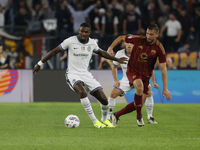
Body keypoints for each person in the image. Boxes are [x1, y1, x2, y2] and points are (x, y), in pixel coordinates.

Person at [33, 22, 127, 128]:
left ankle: (104, 120)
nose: (83, 33)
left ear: (89, 32)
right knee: (82, 92)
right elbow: (54, 51)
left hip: (86, 74)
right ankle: (95, 121)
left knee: (104, 100)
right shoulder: (70, 41)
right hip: (72, 74)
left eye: (86, 32)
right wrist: (39, 63)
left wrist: (117, 59)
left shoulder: (92, 43)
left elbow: (102, 53)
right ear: (79, 31)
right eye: (81, 31)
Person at [107, 24, 171, 127]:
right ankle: (139, 117)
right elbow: (121, 38)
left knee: (139, 103)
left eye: (151, 34)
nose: (148, 36)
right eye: (147, 33)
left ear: (157, 35)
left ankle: (116, 115)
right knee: (139, 87)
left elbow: (163, 69)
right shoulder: (138, 39)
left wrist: (165, 88)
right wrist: (110, 48)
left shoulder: (159, 48)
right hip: (132, 70)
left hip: (145, 75)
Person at [107, 42, 159, 127]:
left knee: (145, 96)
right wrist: (116, 80)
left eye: (131, 43)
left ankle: (150, 117)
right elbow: (114, 67)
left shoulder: (142, 53)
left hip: (140, 78)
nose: (129, 45)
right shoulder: (119, 53)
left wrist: (153, 82)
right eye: (127, 43)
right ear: (125, 44)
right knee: (113, 93)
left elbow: (150, 69)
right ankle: (108, 117)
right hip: (126, 78)